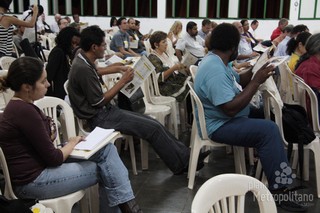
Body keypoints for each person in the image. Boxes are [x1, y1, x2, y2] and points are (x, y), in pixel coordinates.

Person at [0, 56, 142, 213]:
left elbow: (47, 143)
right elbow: (54, 158)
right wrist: (72, 143)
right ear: (27, 87)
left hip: (39, 168)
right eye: (43, 81)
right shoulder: (24, 111)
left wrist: (67, 142)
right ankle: (129, 207)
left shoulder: (22, 106)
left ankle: (128, 206)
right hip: (33, 182)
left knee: (107, 150)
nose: (48, 84)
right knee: (107, 169)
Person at [194, 23, 308, 212]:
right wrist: (256, 81)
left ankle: (270, 165)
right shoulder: (214, 68)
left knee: (269, 115)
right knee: (268, 130)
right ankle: (279, 191)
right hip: (220, 125)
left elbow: (238, 80)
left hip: (225, 118)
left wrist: (258, 69)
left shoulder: (217, 60)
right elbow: (230, 109)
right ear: (233, 47)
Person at [67, 26, 210, 176]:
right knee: (152, 128)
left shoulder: (82, 59)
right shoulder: (82, 68)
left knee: (154, 123)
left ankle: (186, 158)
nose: (105, 48)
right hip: (100, 117)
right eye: (103, 45)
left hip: (105, 112)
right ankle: (181, 163)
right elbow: (98, 102)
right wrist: (122, 81)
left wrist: (117, 69)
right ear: (94, 47)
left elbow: (96, 72)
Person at [148, 31, 190, 102]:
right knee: (189, 88)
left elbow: (171, 68)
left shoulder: (164, 54)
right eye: (164, 42)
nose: (166, 44)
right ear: (156, 44)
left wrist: (181, 67)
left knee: (192, 80)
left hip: (172, 80)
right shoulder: (153, 58)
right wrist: (173, 68)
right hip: (164, 87)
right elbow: (159, 78)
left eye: (166, 42)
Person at [46, 27, 80, 100]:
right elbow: (48, 76)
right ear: (66, 40)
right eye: (73, 43)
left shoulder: (66, 52)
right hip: (59, 95)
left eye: (77, 44)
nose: (74, 46)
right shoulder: (58, 53)